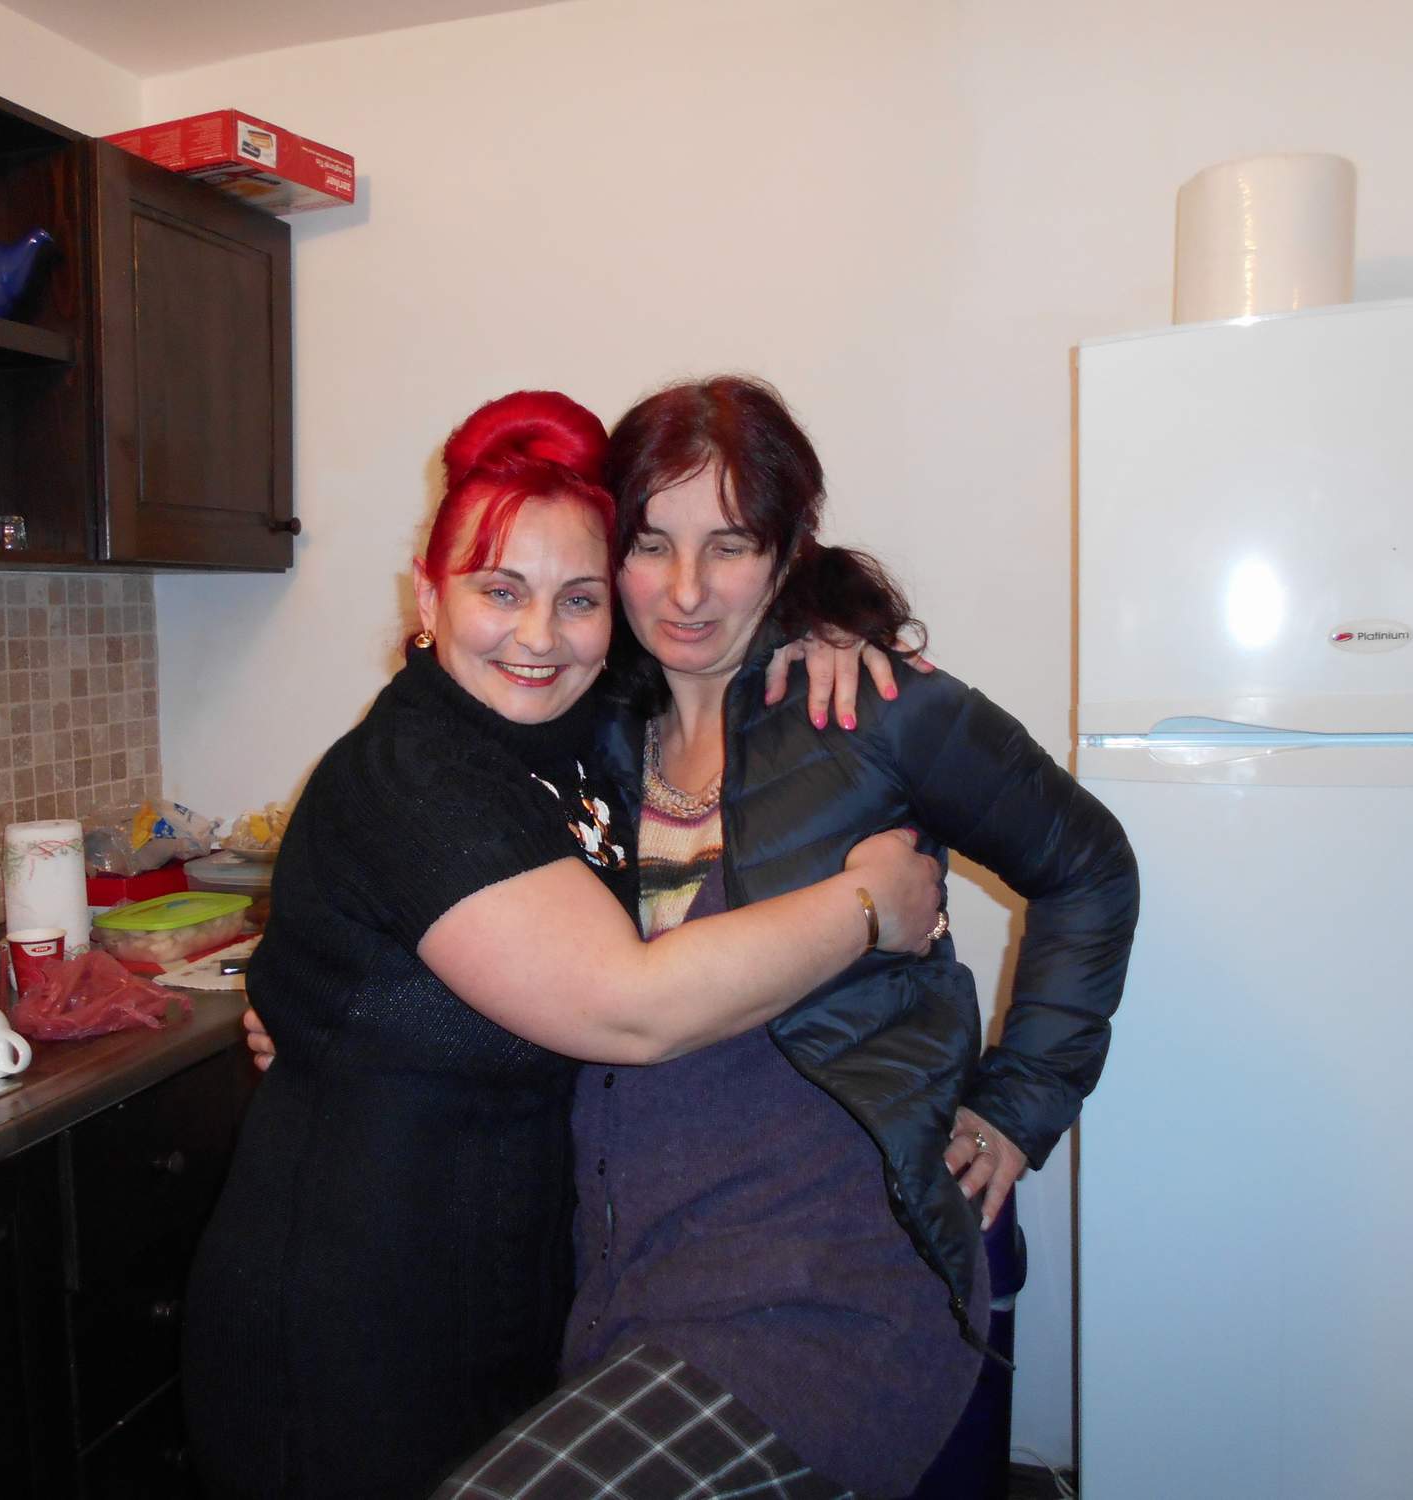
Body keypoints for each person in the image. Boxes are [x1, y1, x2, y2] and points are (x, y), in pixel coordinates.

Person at [181, 390, 946, 1500]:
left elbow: (715, 608)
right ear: (427, 595)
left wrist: (822, 622)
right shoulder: (415, 771)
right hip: (354, 1319)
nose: (538, 636)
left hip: (523, 1303)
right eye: (499, 591)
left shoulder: (578, 735)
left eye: (577, 599)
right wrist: (869, 905)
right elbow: (628, 1007)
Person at [434, 377, 1140, 1499]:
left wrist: (1018, 1106)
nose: (685, 590)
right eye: (651, 544)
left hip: (828, 1298)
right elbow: (468, 890)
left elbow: (1089, 867)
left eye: (730, 545)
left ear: (786, 548)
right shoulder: (586, 736)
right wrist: (328, 1004)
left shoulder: (870, 711)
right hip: (623, 1290)